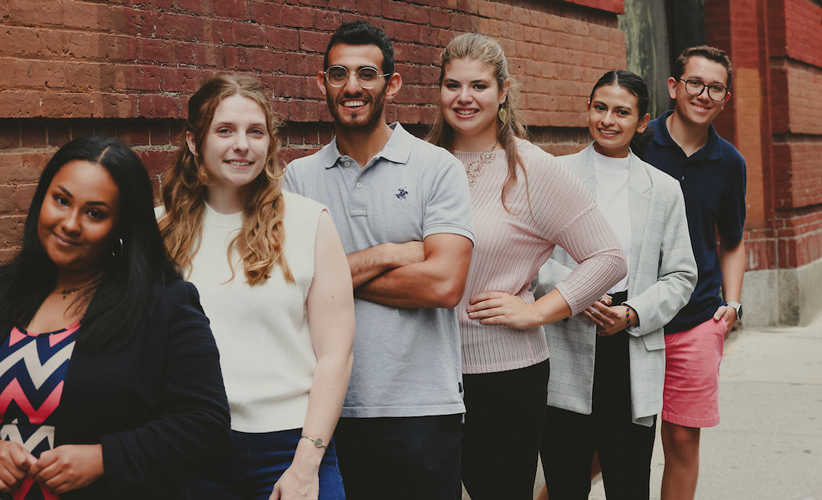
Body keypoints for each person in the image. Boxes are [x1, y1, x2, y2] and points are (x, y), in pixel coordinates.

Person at [0, 136, 231, 500]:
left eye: (95, 213)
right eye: (61, 200)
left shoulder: (164, 303)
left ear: (121, 226)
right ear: (42, 199)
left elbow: (205, 425)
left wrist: (103, 459)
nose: (70, 223)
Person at [427, 33, 627, 500]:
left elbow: (609, 256)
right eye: (452, 85)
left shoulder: (533, 169)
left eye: (478, 85)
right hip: (424, 370)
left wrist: (538, 311)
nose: (464, 98)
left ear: (503, 90)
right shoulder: (422, 165)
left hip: (504, 375)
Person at [284, 21, 475, 500]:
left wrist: (327, 278)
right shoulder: (298, 179)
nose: (352, 87)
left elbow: (443, 285)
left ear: (391, 84)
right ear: (322, 83)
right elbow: (289, 286)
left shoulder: (438, 169)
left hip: (423, 409)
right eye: (338, 74)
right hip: (324, 414)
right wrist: (391, 254)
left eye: (366, 73)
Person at [157, 74, 354, 500]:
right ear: (194, 142)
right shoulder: (158, 230)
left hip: (289, 447)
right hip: (190, 447)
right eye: (224, 130)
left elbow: (336, 354)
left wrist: (307, 462)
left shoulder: (308, 221)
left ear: (270, 143)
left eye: (255, 131)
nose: (241, 144)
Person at [535, 70, 698, 499]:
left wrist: (632, 314)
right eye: (600, 108)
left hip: (630, 343)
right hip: (566, 340)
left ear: (642, 121)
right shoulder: (555, 173)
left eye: (622, 112)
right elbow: (530, 258)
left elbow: (681, 274)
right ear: (588, 111)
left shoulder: (663, 190)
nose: (608, 119)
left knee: (628, 483)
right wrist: (574, 292)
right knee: (565, 478)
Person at [645, 46, 747, 500]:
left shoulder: (730, 163)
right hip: (634, 318)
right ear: (674, 86)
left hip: (697, 319)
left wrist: (732, 304)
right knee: (605, 443)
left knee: (683, 441)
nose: (703, 94)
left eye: (715, 88)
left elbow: (733, 239)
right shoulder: (638, 141)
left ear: (726, 98)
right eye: (694, 83)